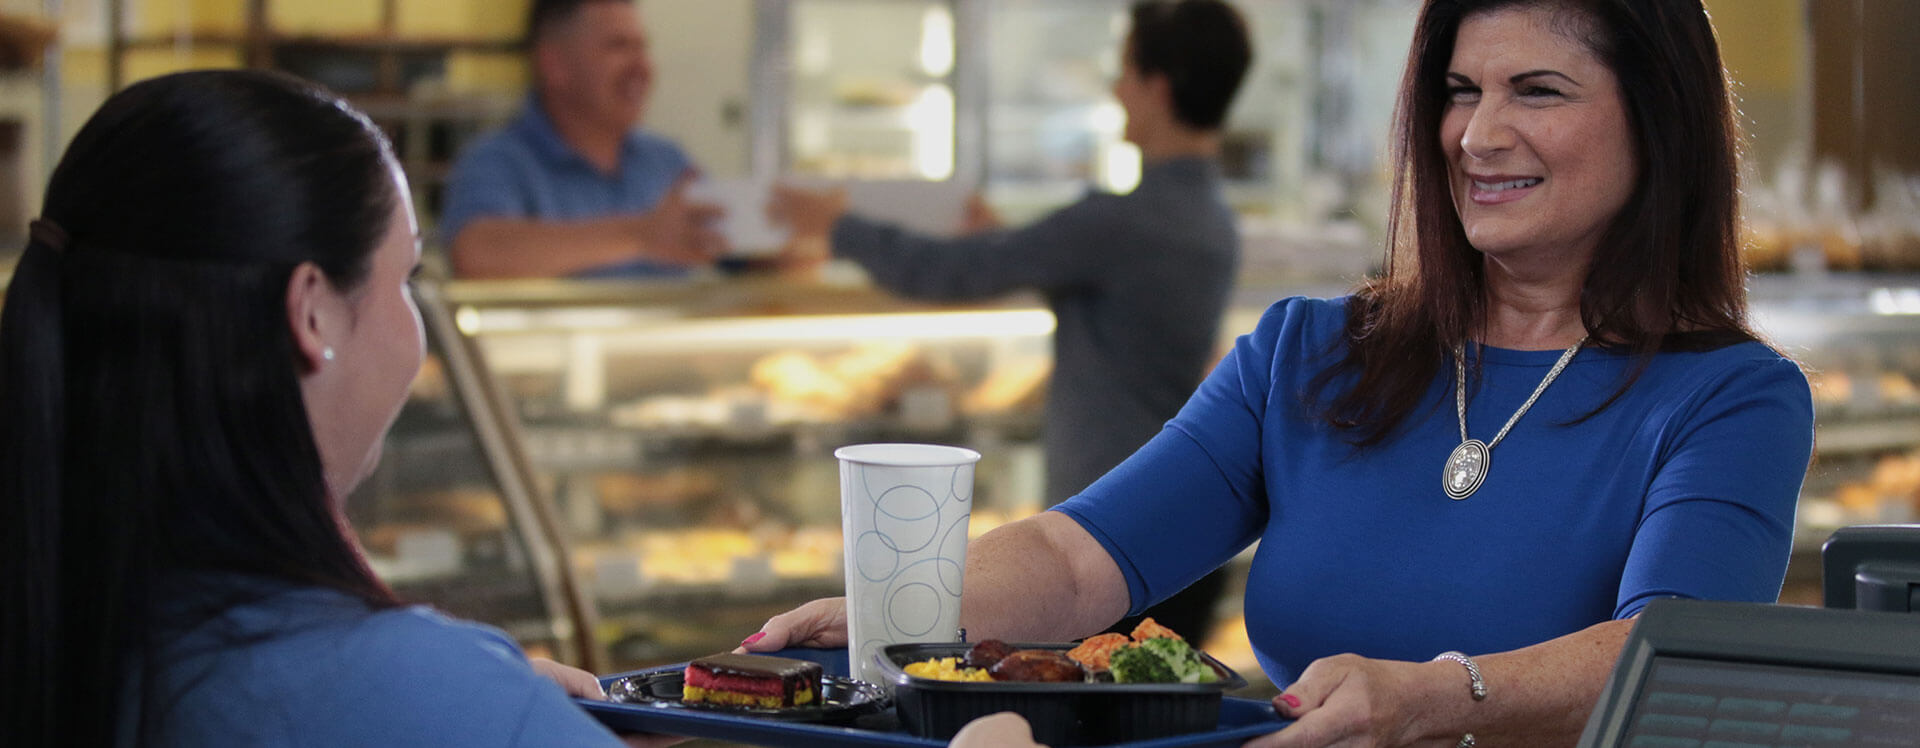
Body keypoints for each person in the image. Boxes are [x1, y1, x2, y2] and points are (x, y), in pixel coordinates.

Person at [745, 1, 1816, 746]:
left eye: (1537, 91)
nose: (1477, 135)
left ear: (1657, 119)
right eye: (1457, 91)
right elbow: (1081, 562)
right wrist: (900, 607)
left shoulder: (1732, 399)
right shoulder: (1309, 350)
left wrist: (1436, 698)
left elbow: (1667, 655)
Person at [0, 69, 657, 747]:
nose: (415, 330)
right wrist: (493, 711)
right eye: (405, 278)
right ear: (310, 312)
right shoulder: (439, 700)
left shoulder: (52, 628)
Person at [772, 0, 1254, 642]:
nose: (1116, 89)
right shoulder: (1207, 217)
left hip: (1108, 529)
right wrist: (1011, 244)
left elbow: (947, 272)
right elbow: (1105, 294)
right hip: (1180, 519)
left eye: (1125, 72)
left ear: (1158, 87)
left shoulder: (1121, 222)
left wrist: (835, 226)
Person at [441, 0, 723, 279]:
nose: (642, 67)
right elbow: (477, 255)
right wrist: (641, 235)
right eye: (618, 46)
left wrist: (764, 228)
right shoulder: (498, 162)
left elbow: (739, 249)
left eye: (642, 47)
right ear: (554, 65)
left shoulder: (666, 160)